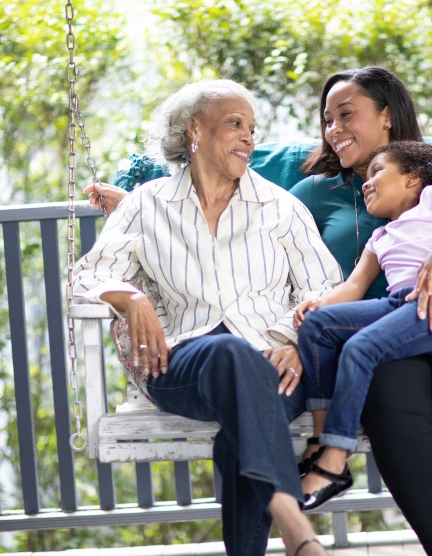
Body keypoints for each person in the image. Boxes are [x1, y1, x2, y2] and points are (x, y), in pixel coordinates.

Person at [74, 78, 336, 556]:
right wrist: (131, 298)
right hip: (180, 363)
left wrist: (294, 342)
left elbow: (326, 289)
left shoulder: (281, 208)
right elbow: (88, 275)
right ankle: (294, 523)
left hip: (279, 362)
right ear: (195, 129)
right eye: (235, 124)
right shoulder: (145, 205)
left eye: (252, 129)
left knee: (248, 417)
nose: (248, 137)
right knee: (229, 352)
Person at [288, 67, 432, 555]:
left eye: (347, 115)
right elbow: (247, 231)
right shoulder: (314, 193)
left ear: (388, 118)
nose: (334, 130)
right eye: (327, 120)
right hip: (381, 322)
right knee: (392, 407)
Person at [292, 141, 432, 511]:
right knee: (317, 326)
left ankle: (335, 462)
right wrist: (319, 303)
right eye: (365, 178)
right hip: (399, 303)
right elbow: (353, 286)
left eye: (377, 172)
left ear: (413, 177)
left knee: (360, 347)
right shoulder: (380, 236)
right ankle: (321, 436)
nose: (367, 183)